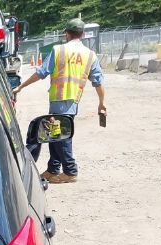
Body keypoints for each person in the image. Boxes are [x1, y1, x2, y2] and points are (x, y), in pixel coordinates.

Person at [13, 18, 106, 184]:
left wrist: (21, 87)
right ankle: (53, 169)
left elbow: (41, 73)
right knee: (54, 135)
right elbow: (98, 82)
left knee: (61, 137)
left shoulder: (58, 50)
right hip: (72, 102)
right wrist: (101, 102)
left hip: (59, 101)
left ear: (66, 34)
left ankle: (70, 171)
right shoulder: (90, 55)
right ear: (83, 34)